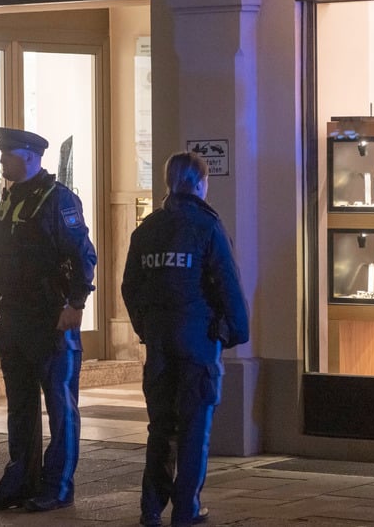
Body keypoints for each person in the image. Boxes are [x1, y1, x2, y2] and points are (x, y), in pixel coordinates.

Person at [0, 127, 97, 513]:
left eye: (8, 154)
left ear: (29, 156)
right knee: (20, 407)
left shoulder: (58, 201)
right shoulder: (10, 199)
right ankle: (19, 482)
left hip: (49, 321)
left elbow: (84, 257)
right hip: (14, 320)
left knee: (60, 407)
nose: (2, 160)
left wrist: (75, 304)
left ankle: (58, 486)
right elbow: (0, 258)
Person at [121, 151, 249, 527]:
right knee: (194, 429)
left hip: (160, 346)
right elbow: (228, 284)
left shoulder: (147, 230)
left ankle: (150, 508)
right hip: (197, 343)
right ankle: (186, 509)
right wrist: (234, 332)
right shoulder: (207, 226)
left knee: (161, 427)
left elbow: (130, 288)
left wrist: (147, 328)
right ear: (199, 183)